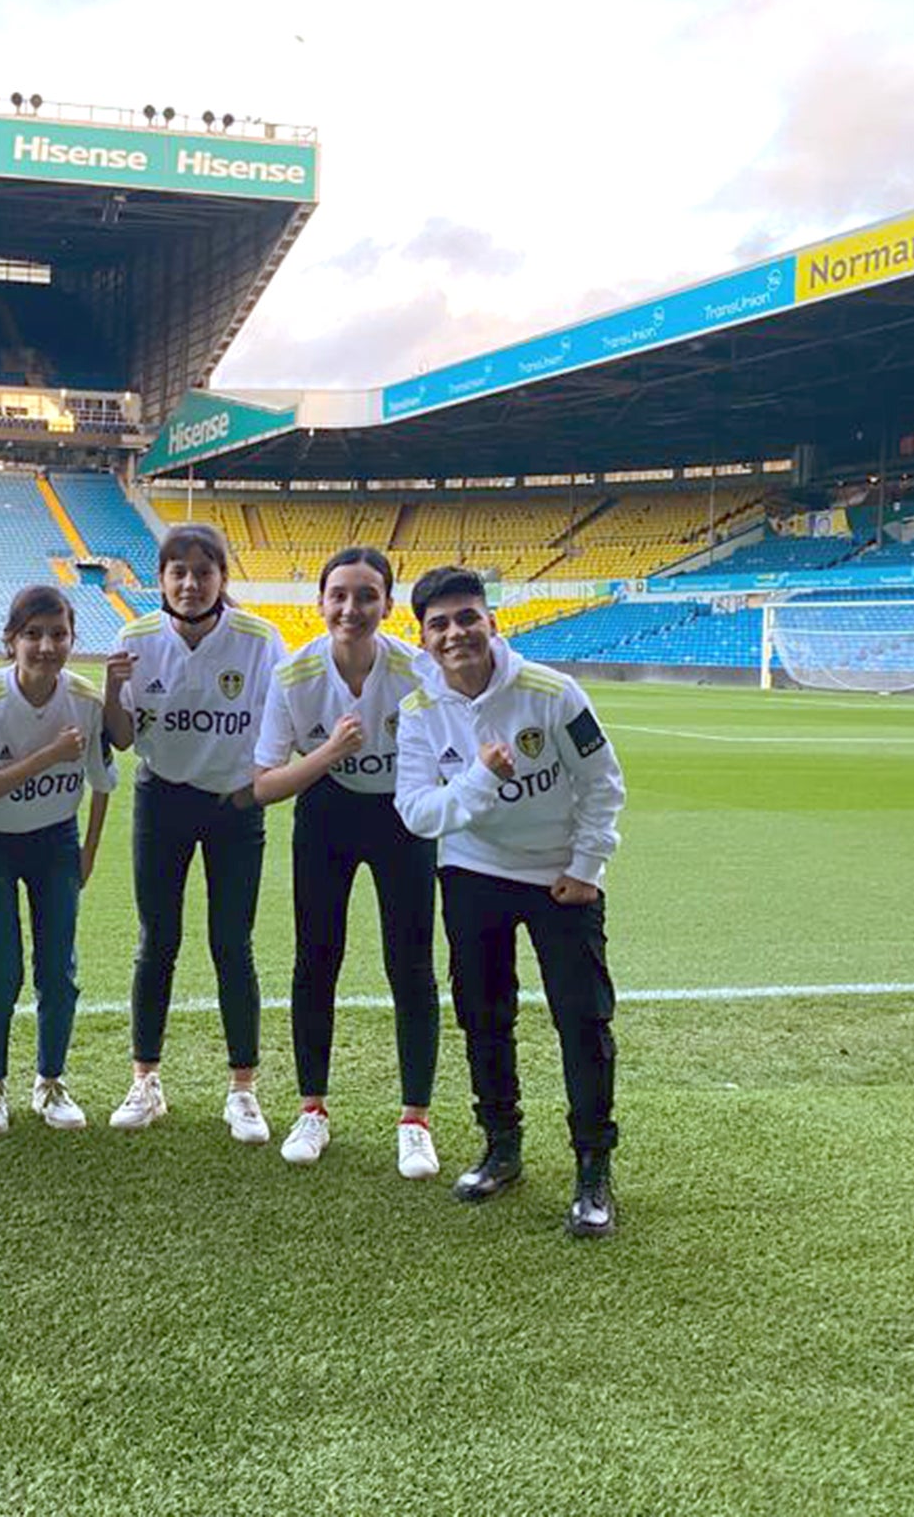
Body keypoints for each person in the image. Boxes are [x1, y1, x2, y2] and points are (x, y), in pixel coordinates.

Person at [393, 566, 626, 1237]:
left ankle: (592, 1168)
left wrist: (586, 866)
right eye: (439, 624)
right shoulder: (418, 713)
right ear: (425, 638)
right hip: (473, 871)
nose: (455, 632)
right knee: (483, 1016)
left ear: (492, 622)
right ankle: (502, 1145)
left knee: (582, 1021)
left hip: (561, 877)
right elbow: (417, 811)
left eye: (467, 617)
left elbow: (603, 784)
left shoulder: (552, 693)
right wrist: (480, 779)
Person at [252, 547, 441, 1174]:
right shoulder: (295, 676)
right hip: (327, 811)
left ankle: (415, 1119)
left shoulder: (419, 671)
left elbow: (451, 756)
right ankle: (312, 1109)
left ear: (388, 605)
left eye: (366, 596)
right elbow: (265, 785)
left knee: (411, 964)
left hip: (403, 817)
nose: (351, 608)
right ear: (321, 603)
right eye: (339, 595)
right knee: (317, 959)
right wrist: (331, 753)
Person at [101, 524, 285, 1141]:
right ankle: (145, 1079)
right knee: (158, 941)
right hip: (162, 800)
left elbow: (281, 722)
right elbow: (124, 739)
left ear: (221, 579)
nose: (189, 583)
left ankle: (243, 1090)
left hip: (234, 805)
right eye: (176, 571)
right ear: (160, 579)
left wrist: (254, 784)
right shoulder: (136, 639)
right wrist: (109, 688)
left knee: (232, 944)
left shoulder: (260, 639)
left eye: (202, 571)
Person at [0, 586, 117, 1134]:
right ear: (10, 641)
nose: (46, 646)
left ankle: (50, 1082)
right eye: (33, 634)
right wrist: (48, 755)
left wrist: (87, 854)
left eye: (58, 634)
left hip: (55, 844)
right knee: (0, 971)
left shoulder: (87, 701)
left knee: (59, 971)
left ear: (72, 638)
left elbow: (102, 782)